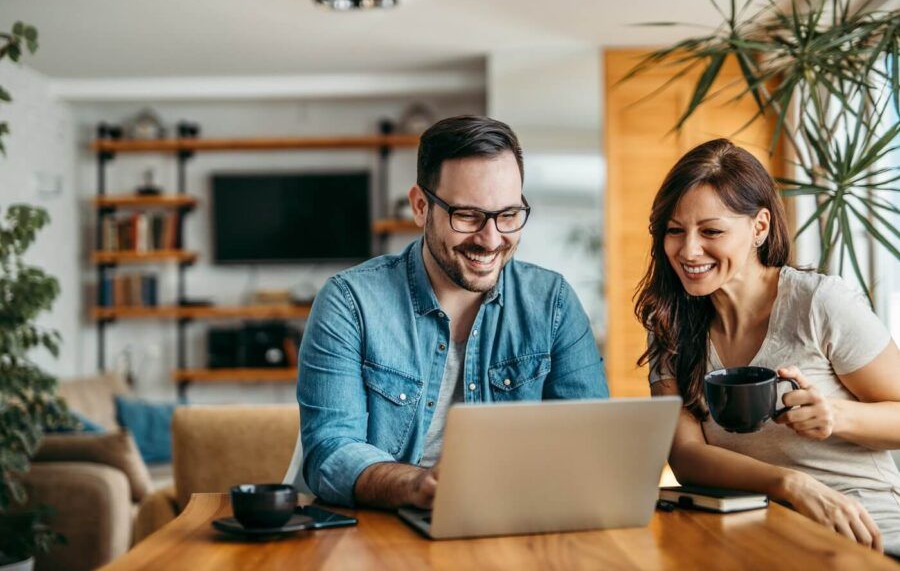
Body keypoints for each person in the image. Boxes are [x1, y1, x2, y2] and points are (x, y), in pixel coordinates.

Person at [298, 115, 608, 509]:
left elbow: (590, 439)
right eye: (468, 216)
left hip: (516, 519)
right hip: (388, 526)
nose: (491, 239)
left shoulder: (553, 303)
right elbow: (330, 452)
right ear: (421, 206)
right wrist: (416, 485)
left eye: (508, 215)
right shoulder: (350, 302)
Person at [637, 138, 900, 555]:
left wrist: (836, 415)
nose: (688, 250)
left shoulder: (818, 303)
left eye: (711, 231)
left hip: (860, 522)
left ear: (759, 227)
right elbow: (686, 458)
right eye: (674, 230)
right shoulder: (669, 324)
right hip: (756, 524)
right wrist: (790, 483)